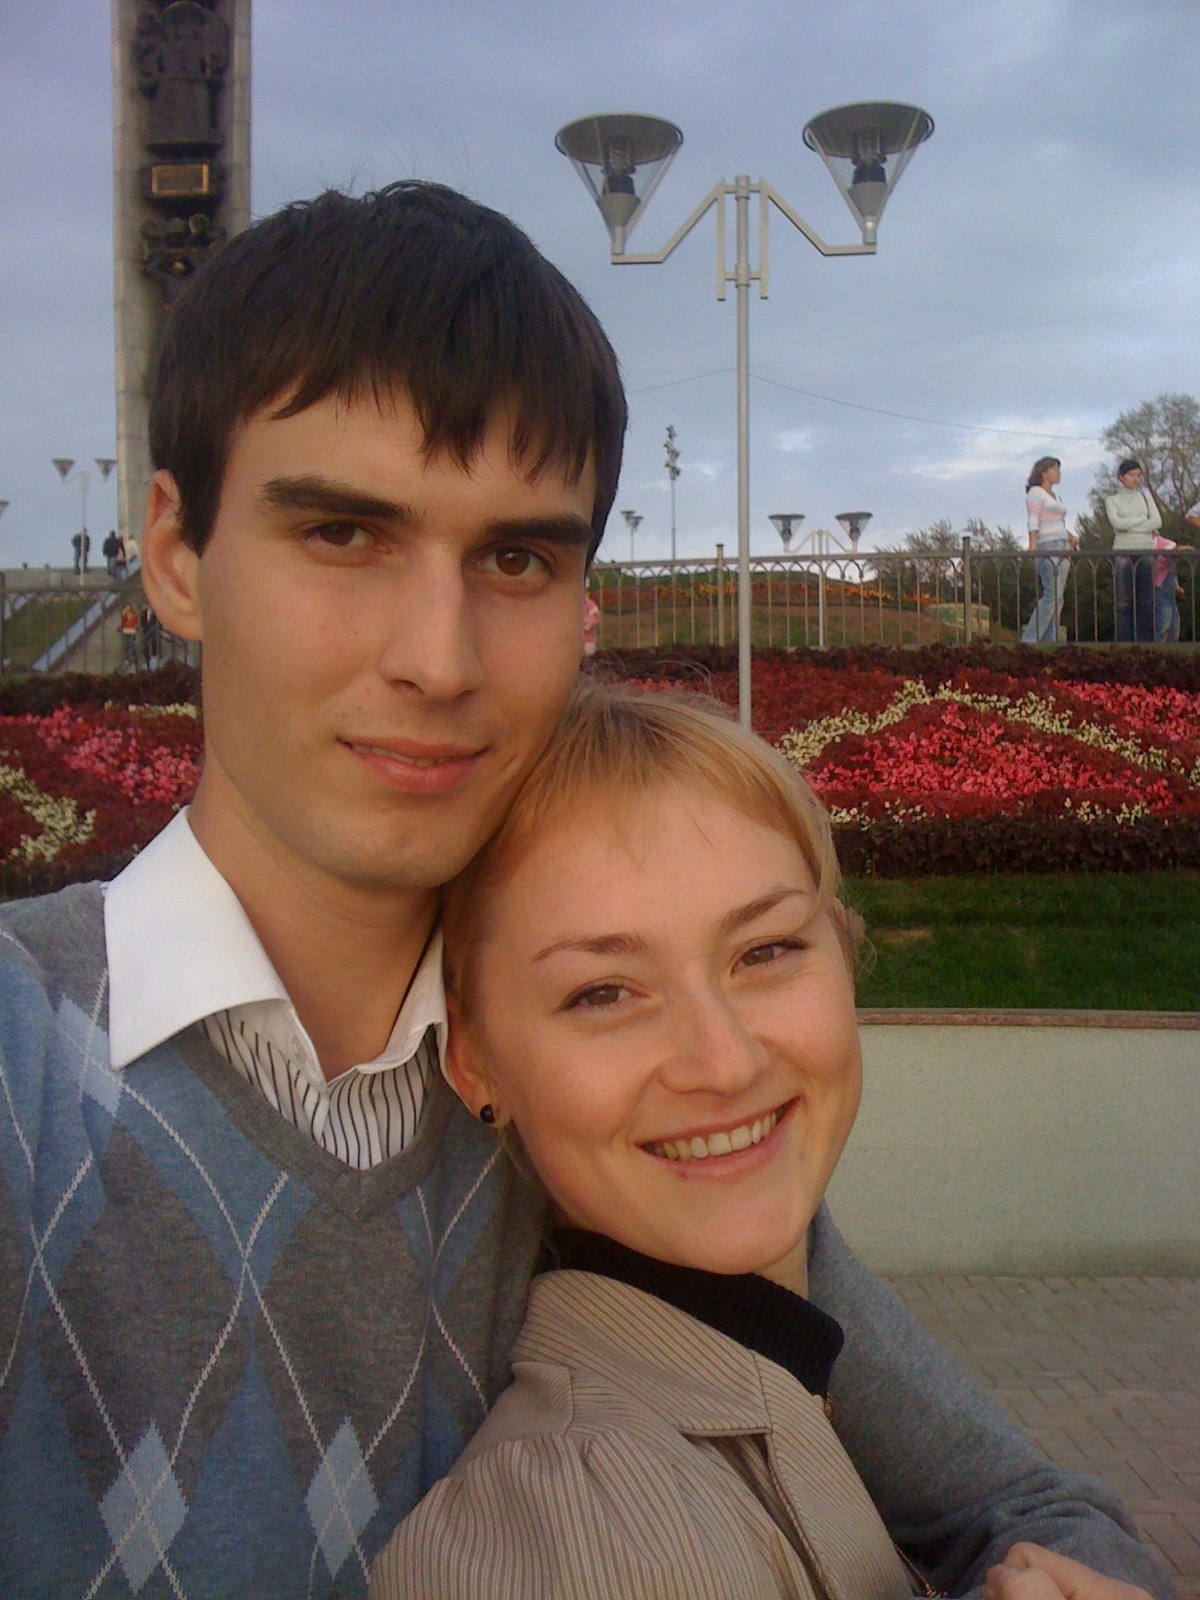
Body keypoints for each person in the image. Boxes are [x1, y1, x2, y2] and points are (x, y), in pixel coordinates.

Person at [0, 182, 1165, 1600]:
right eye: (343, 535)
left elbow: (1030, 1508)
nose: (439, 658)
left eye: (516, 557)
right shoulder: (23, 1078)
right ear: (176, 557)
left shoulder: (606, 1103)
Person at [373, 684, 1165, 1600]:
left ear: (843, 951)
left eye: (766, 951)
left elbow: (1029, 1505)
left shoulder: (785, 1347)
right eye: (604, 993)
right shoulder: (580, 1528)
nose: (724, 1062)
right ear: (474, 1061)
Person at [1021, 456, 1077, 644]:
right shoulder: (1036, 492)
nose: (1058, 473)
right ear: (1044, 472)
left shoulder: (1055, 496)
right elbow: (1033, 518)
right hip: (1047, 545)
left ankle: (1049, 640)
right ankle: (1029, 640)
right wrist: (1032, 543)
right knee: (1051, 595)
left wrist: (1069, 537)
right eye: (1055, 469)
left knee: (1058, 598)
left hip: (1062, 545)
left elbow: (1058, 522)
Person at [1105, 460, 1161, 643]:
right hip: (1123, 551)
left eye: (1138, 475)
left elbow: (1157, 522)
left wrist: (1130, 525)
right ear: (1121, 477)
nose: (1135, 479)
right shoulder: (1112, 500)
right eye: (1131, 475)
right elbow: (1117, 524)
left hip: (1146, 550)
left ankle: (1146, 644)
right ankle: (1124, 643)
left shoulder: (1145, 496)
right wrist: (1143, 521)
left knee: (1146, 601)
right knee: (1123, 602)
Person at [119, 599, 140, 669]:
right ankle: (127, 659)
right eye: (126, 607)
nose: (127, 609)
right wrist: (123, 614)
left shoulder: (134, 615)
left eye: (128, 607)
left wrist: (136, 628)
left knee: (131, 644)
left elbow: (136, 623)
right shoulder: (124, 615)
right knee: (126, 645)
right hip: (125, 631)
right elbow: (123, 623)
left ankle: (133, 657)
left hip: (132, 631)